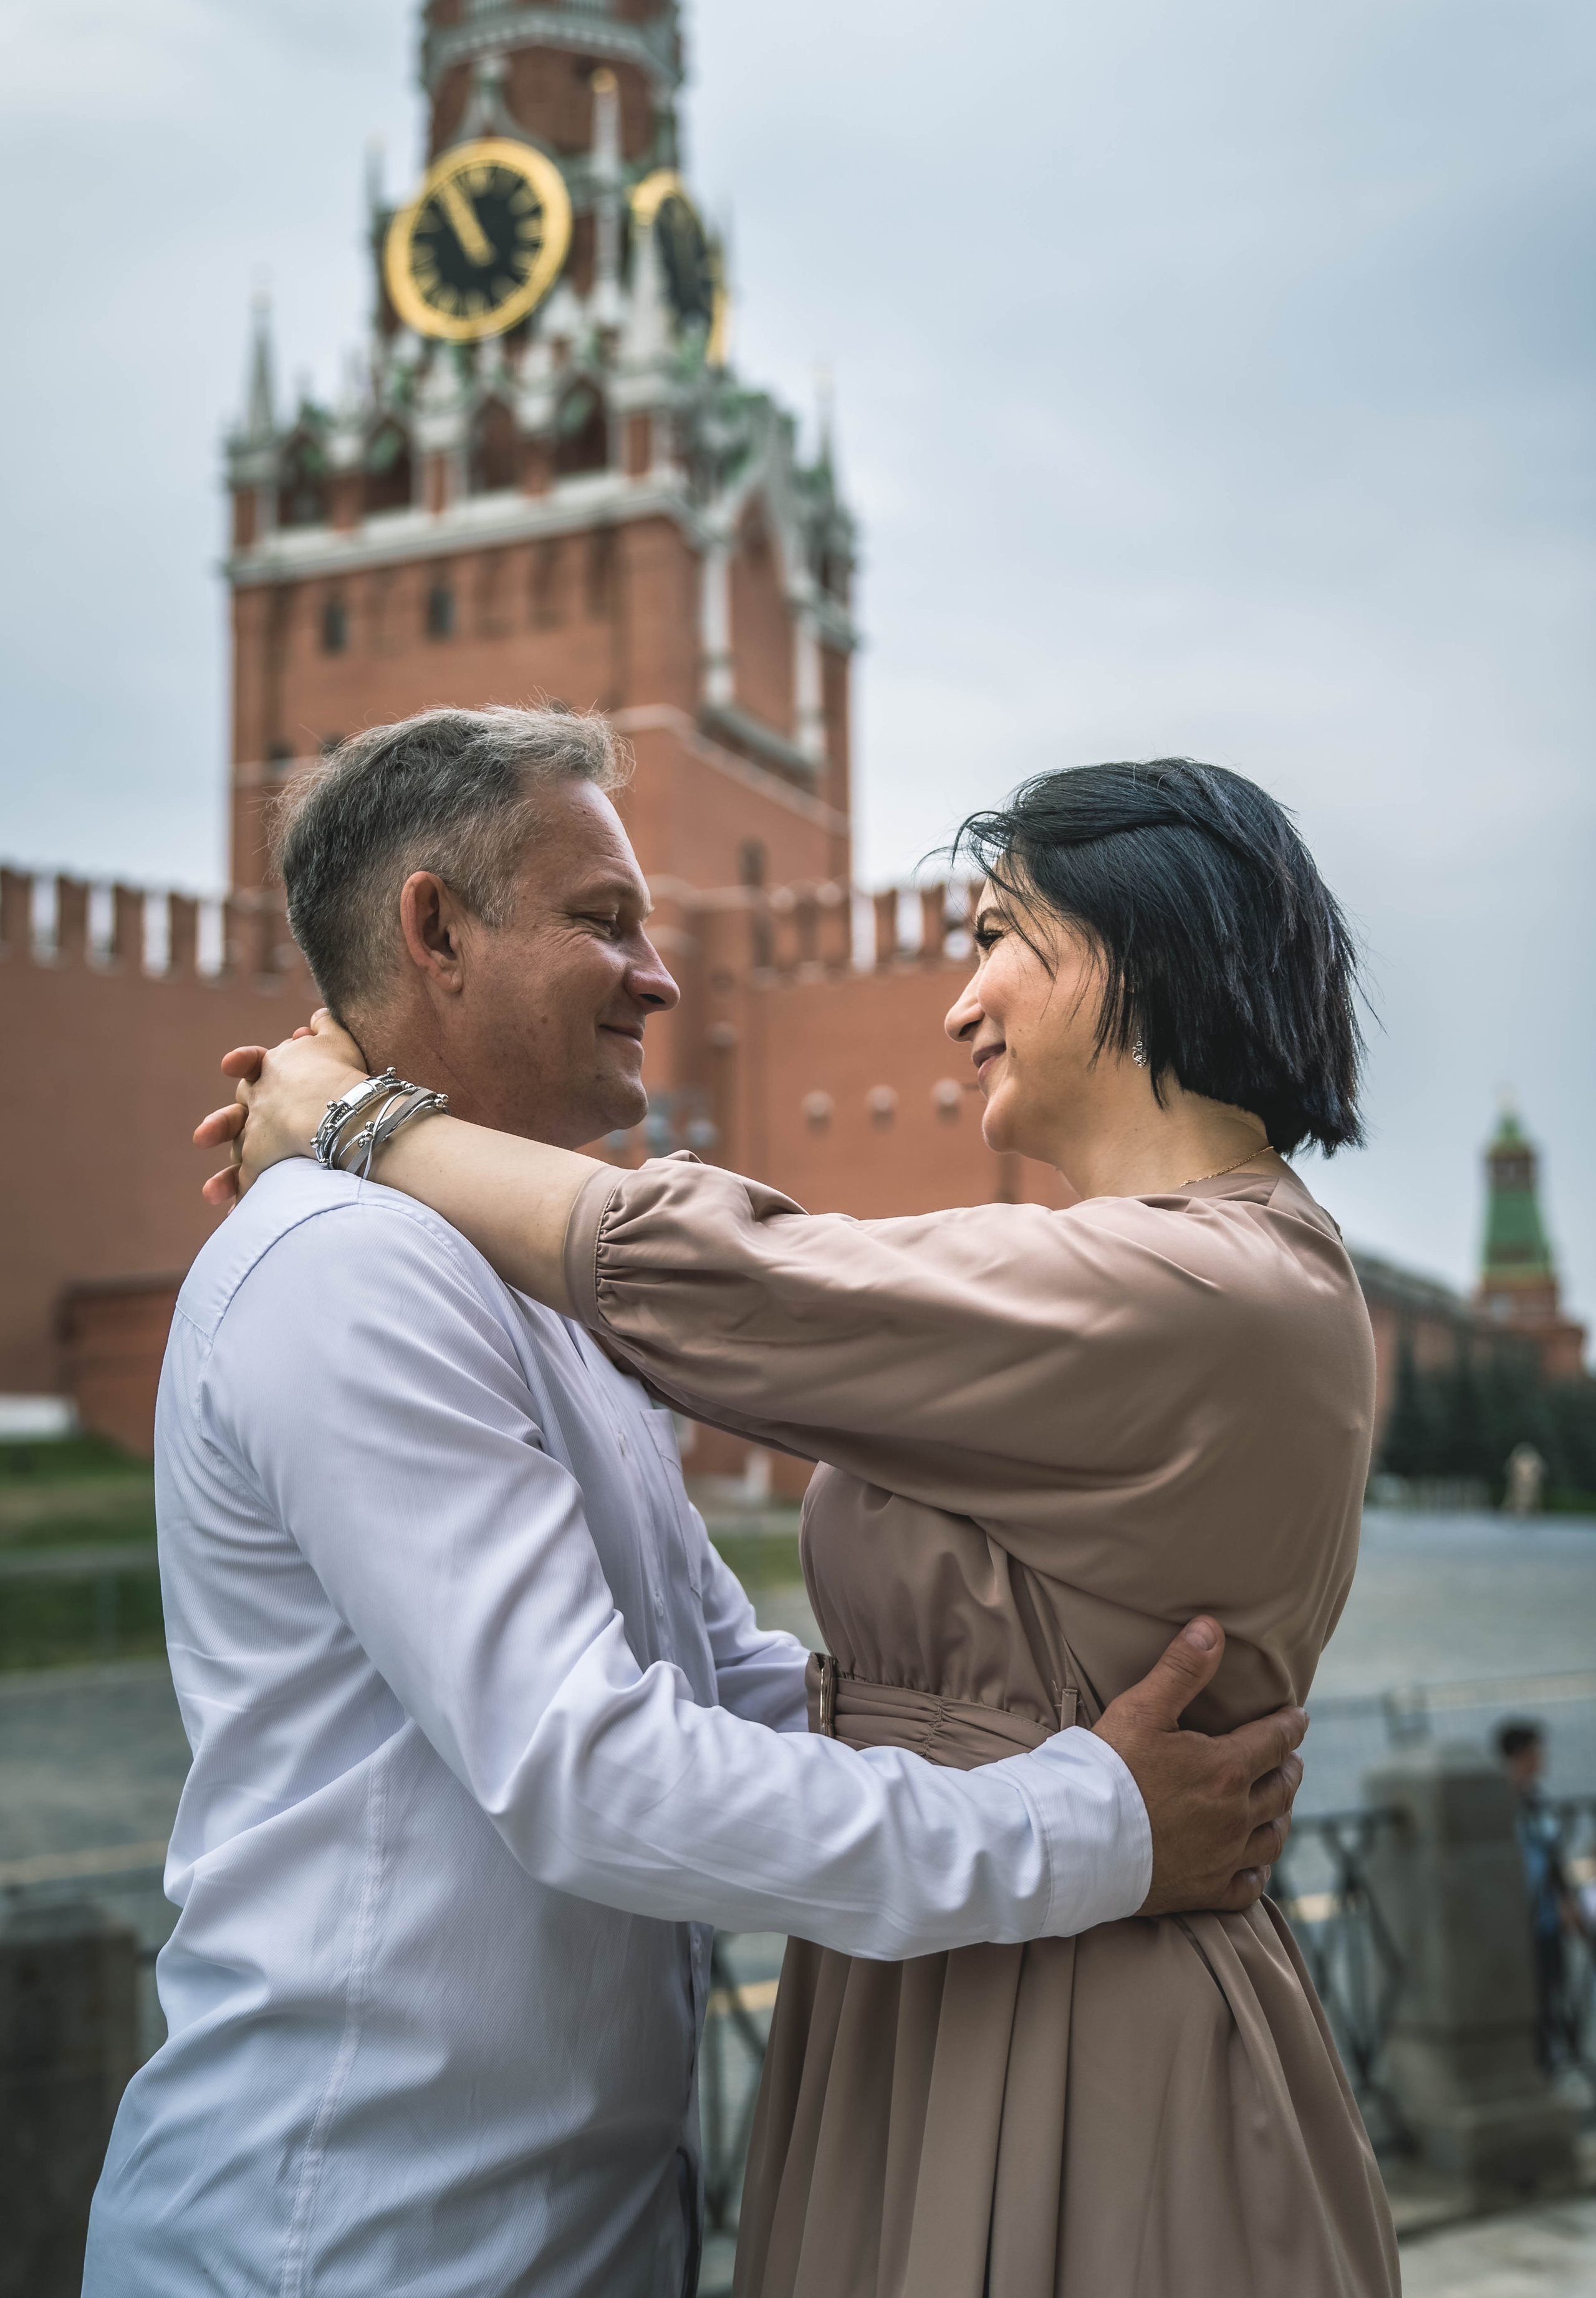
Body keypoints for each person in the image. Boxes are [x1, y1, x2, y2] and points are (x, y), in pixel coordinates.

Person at [88, 708, 1305, 2298]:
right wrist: (1084, 1823)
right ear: (434, 930)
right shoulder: (352, 1265)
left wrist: (992, 1744)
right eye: (603, 923)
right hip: (354, 2238)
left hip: (552, 2232)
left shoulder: (509, 1293)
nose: (660, 977)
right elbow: (596, 1770)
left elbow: (714, 1677)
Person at [1497, 1718, 1580, 2071]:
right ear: (1521, 1755)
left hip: (1546, 1919)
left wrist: (1566, 1898)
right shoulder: (1500, 1803)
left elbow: (1552, 1855)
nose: (1542, 1758)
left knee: (1552, 1996)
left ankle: (1550, 2068)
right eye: (1535, 1751)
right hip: (1517, 1922)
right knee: (1528, 2002)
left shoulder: (1535, 1799)